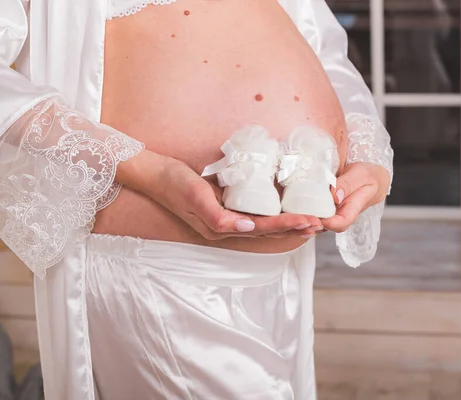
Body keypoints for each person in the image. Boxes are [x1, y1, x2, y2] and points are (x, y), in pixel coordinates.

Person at [0, 0, 394, 399]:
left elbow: (322, 45)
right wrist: (148, 170)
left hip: (281, 274)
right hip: (164, 272)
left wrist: (367, 151)